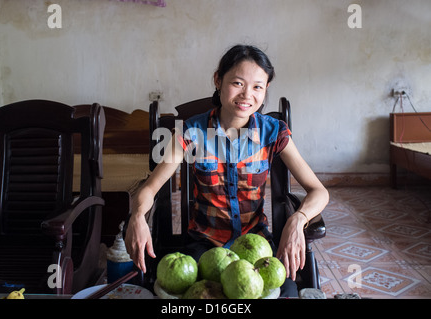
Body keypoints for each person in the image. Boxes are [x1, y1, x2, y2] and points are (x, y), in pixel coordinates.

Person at [124, 44, 329, 297]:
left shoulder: (274, 132)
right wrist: (138, 216)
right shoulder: (191, 132)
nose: (247, 95)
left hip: (256, 247)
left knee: (285, 292)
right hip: (204, 246)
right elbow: (150, 188)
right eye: (238, 83)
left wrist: (298, 219)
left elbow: (318, 191)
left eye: (257, 87)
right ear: (218, 80)